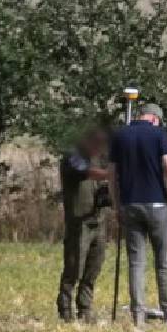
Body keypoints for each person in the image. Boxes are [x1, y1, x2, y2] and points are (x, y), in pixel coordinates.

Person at [109, 103, 167, 327]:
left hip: (130, 205)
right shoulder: (159, 134)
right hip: (157, 205)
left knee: (136, 263)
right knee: (163, 261)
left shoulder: (120, 135)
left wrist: (117, 205)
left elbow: (111, 174)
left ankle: (138, 316)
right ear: (154, 118)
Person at [57, 128, 111, 322]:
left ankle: (85, 308)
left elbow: (103, 185)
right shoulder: (73, 157)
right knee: (74, 267)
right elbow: (86, 172)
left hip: (99, 220)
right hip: (79, 222)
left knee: (93, 267)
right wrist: (110, 174)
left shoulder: (99, 159)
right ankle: (65, 307)